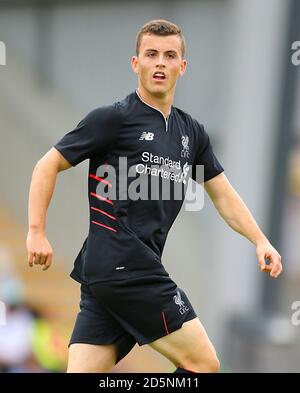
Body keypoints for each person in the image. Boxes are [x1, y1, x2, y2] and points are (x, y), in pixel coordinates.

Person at [26, 19, 282, 373]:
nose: (160, 62)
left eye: (169, 55)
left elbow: (223, 196)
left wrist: (260, 240)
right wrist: (36, 231)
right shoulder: (113, 119)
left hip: (111, 274)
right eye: (151, 54)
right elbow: (46, 165)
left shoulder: (191, 133)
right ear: (136, 64)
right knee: (203, 365)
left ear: (182, 66)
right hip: (125, 266)